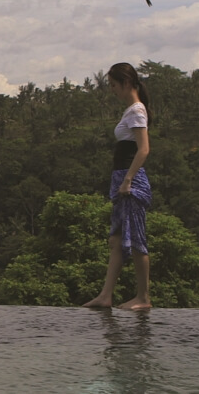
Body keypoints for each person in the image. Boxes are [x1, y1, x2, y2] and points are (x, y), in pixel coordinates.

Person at [83, 62, 152, 310]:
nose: (112, 90)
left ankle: (143, 297)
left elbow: (144, 149)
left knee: (135, 239)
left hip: (129, 179)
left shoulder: (136, 111)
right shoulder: (131, 110)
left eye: (113, 85)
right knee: (116, 239)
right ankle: (106, 295)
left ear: (125, 83)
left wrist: (128, 180)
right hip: (122, 178)